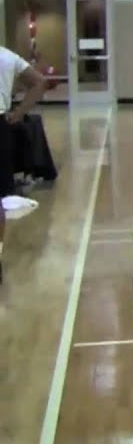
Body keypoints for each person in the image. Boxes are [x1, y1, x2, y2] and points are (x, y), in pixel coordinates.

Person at [0, 45, 47, 282]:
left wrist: (18, 113)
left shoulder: (7, 57)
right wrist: (18, 113)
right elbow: (39, 82)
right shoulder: (7, 57)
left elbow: (39, 82)